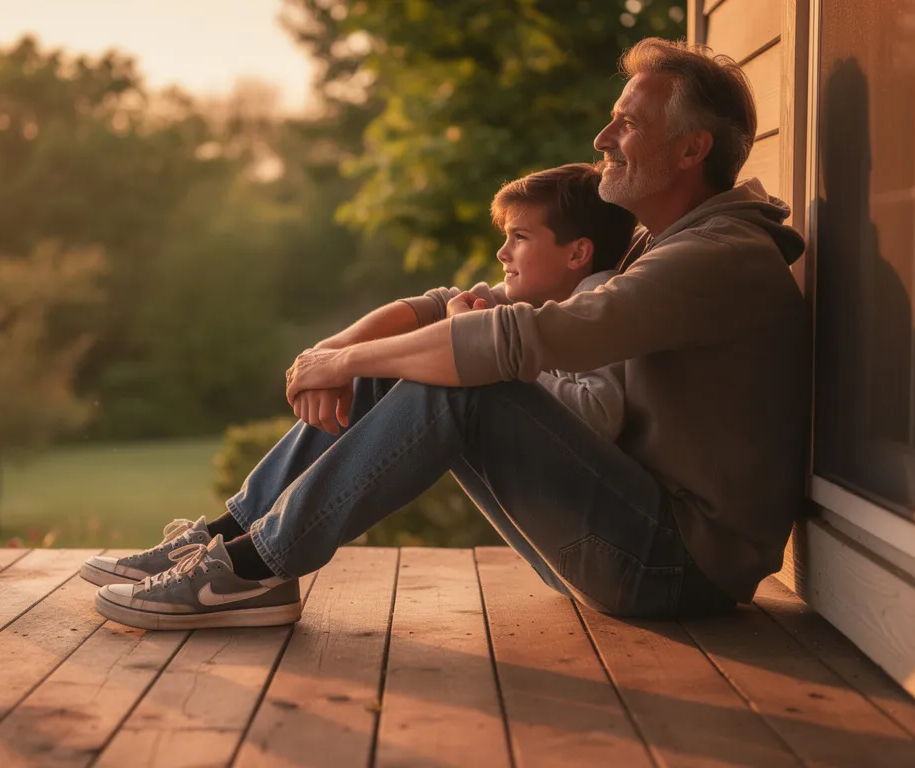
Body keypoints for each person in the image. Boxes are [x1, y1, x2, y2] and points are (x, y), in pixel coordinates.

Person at [88, 37, 810, 632]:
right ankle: (229, 538)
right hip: (630, 537)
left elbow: (515, 344)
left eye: (628, 124)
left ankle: (254, 572)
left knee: (464, 388)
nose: (603, 138)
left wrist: (346, 357)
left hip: (677, 569)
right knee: (423, 358)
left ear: (692, 151)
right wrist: (335, 356)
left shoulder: (715, 259)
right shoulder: (655, 245)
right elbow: (444, 308)